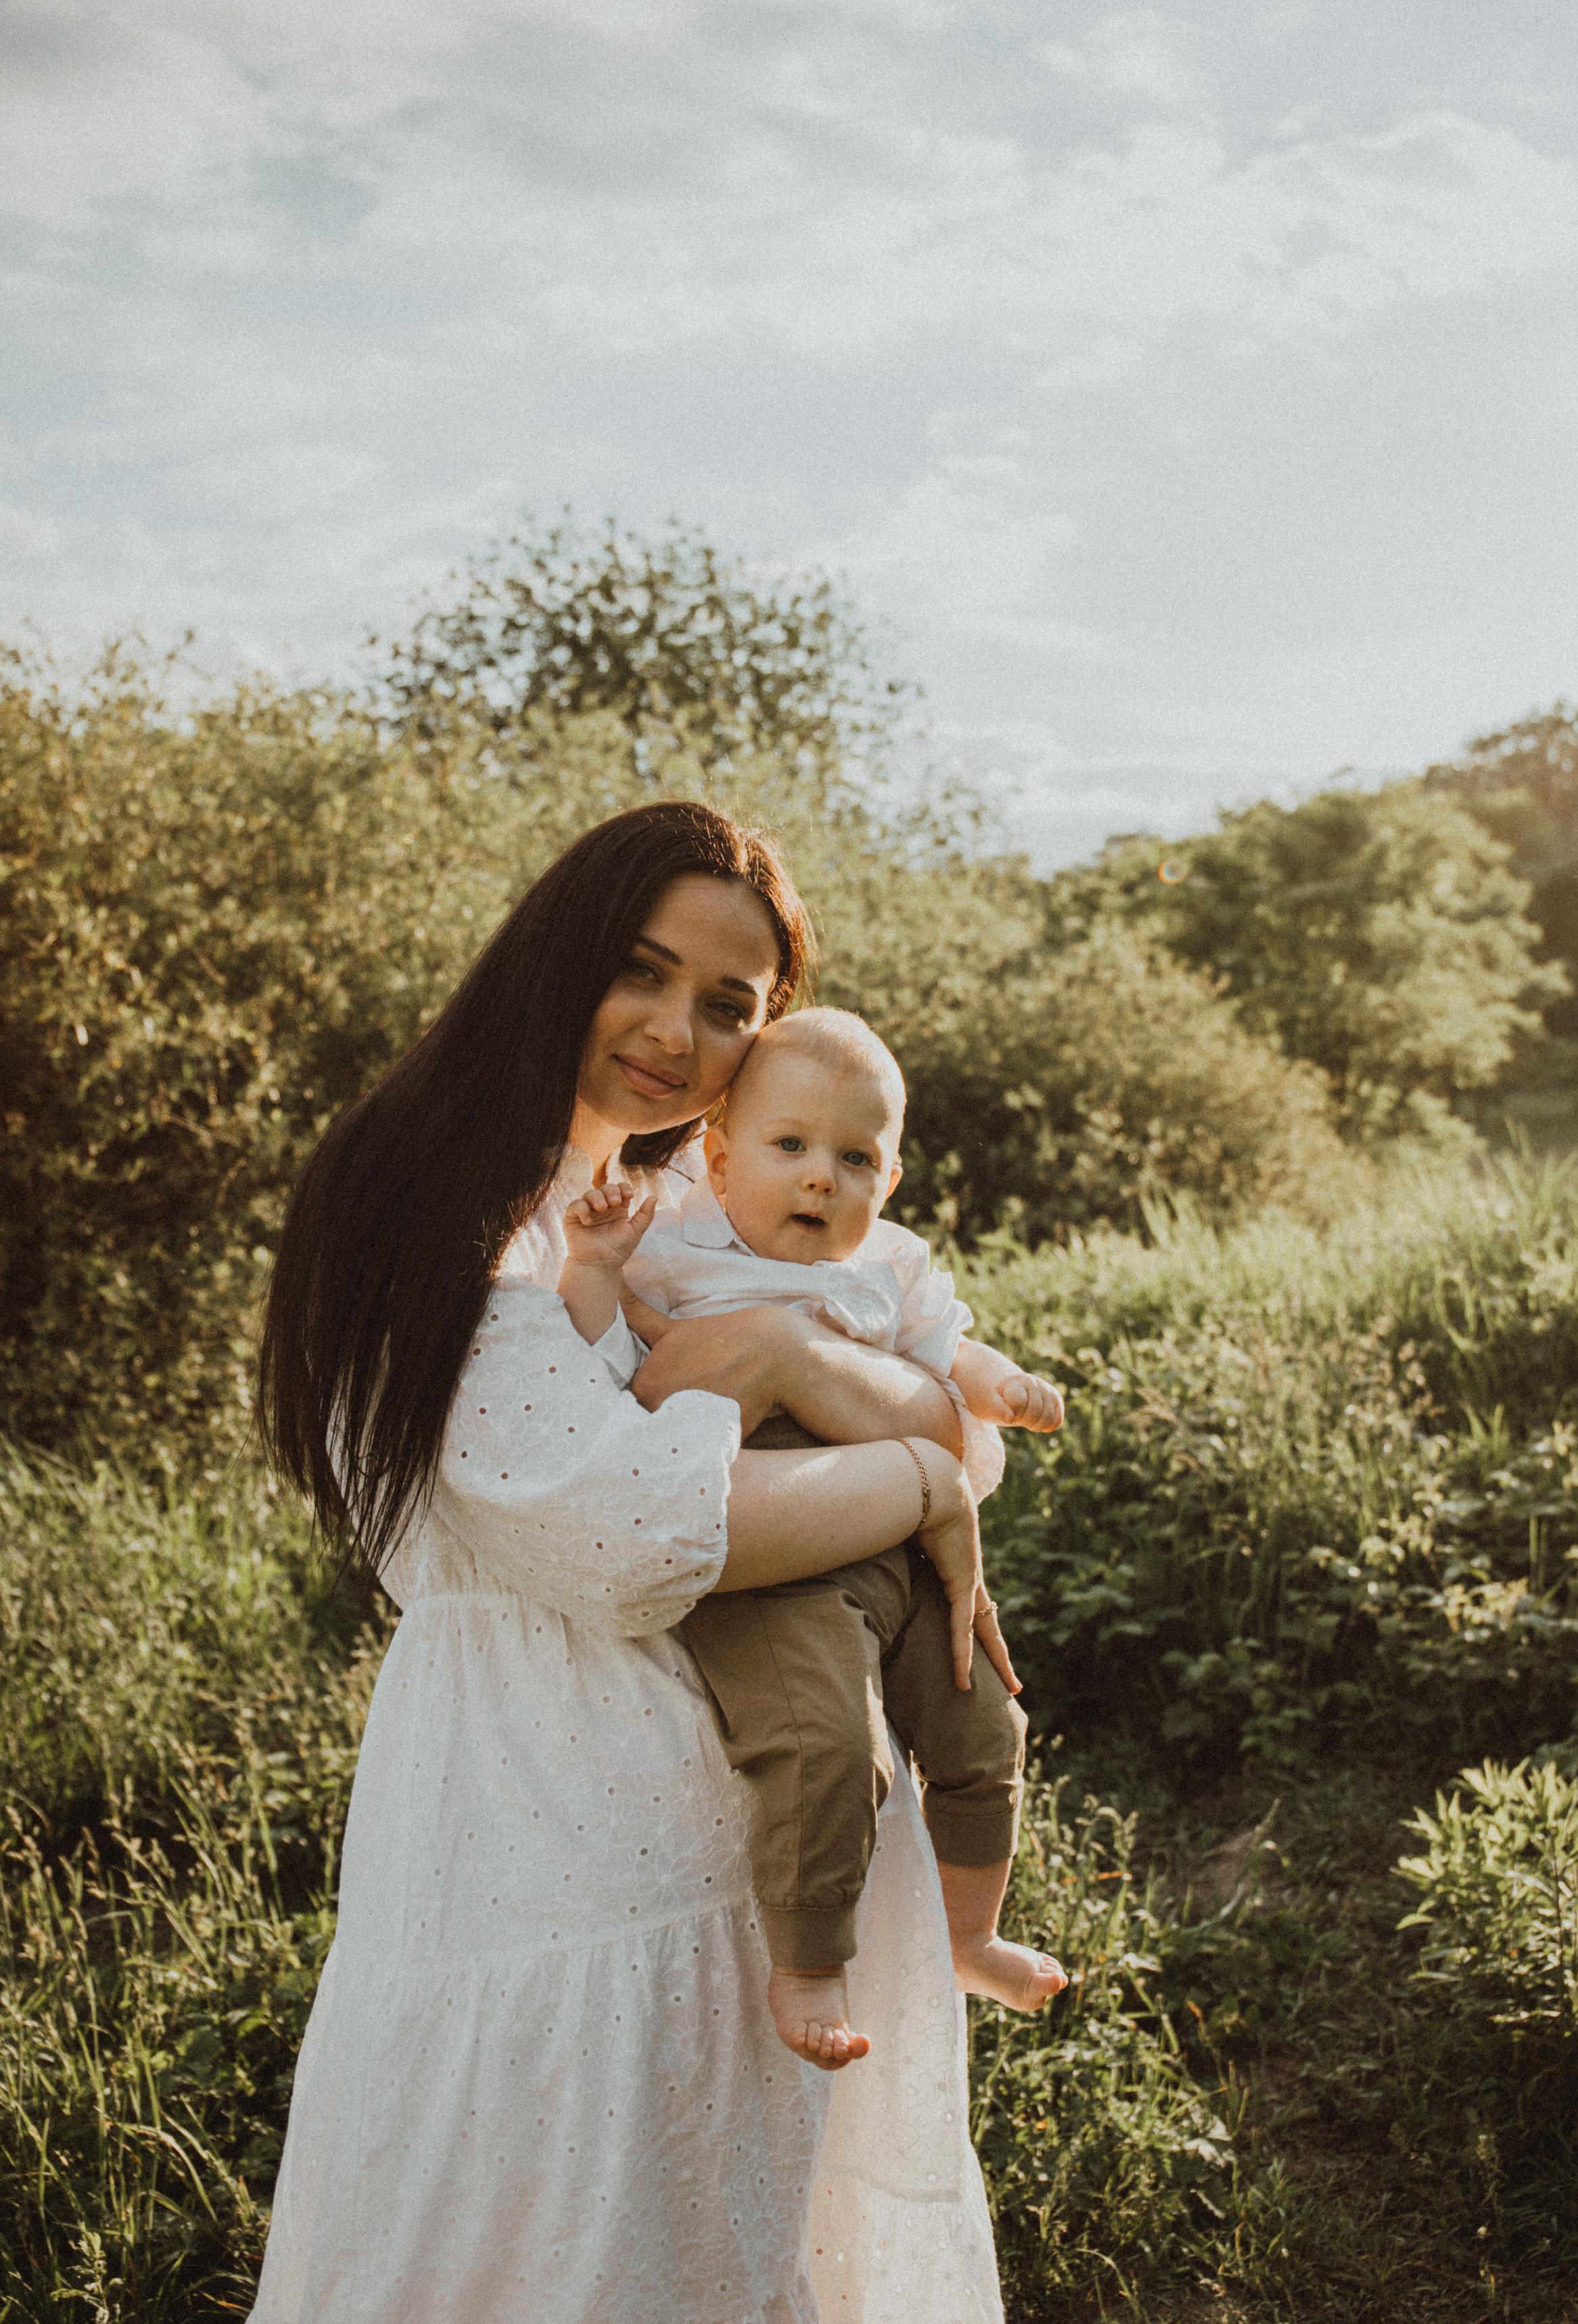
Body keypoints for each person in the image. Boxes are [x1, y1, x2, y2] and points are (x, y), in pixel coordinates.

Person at [251, 800, 1007, 2323]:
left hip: (730, 1839)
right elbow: (646, 1536)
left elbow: (934, 1402)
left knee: (723, 2250)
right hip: (556, 1840)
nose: (676, 1032)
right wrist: (926, 1471)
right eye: (639, 973)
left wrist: (819, 1373)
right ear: (553, 961)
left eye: (728, 1006)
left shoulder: (672, 1211)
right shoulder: (440, 1206)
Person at [557, 1007, 1067, 2070]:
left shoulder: (889, 1264)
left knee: (987, 1729)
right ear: (720, 1152)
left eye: (855, 1157)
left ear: (888, 1179)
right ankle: (809, 1963)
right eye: (790, 1147)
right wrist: (597, 1273)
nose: (819, 1180)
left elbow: (948, 1351)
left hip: (907, 1543)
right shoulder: (675, 1247)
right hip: (776, 1543)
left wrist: (1002, 1387)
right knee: (831, 1747)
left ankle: (970, 1937)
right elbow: (615, 1379)